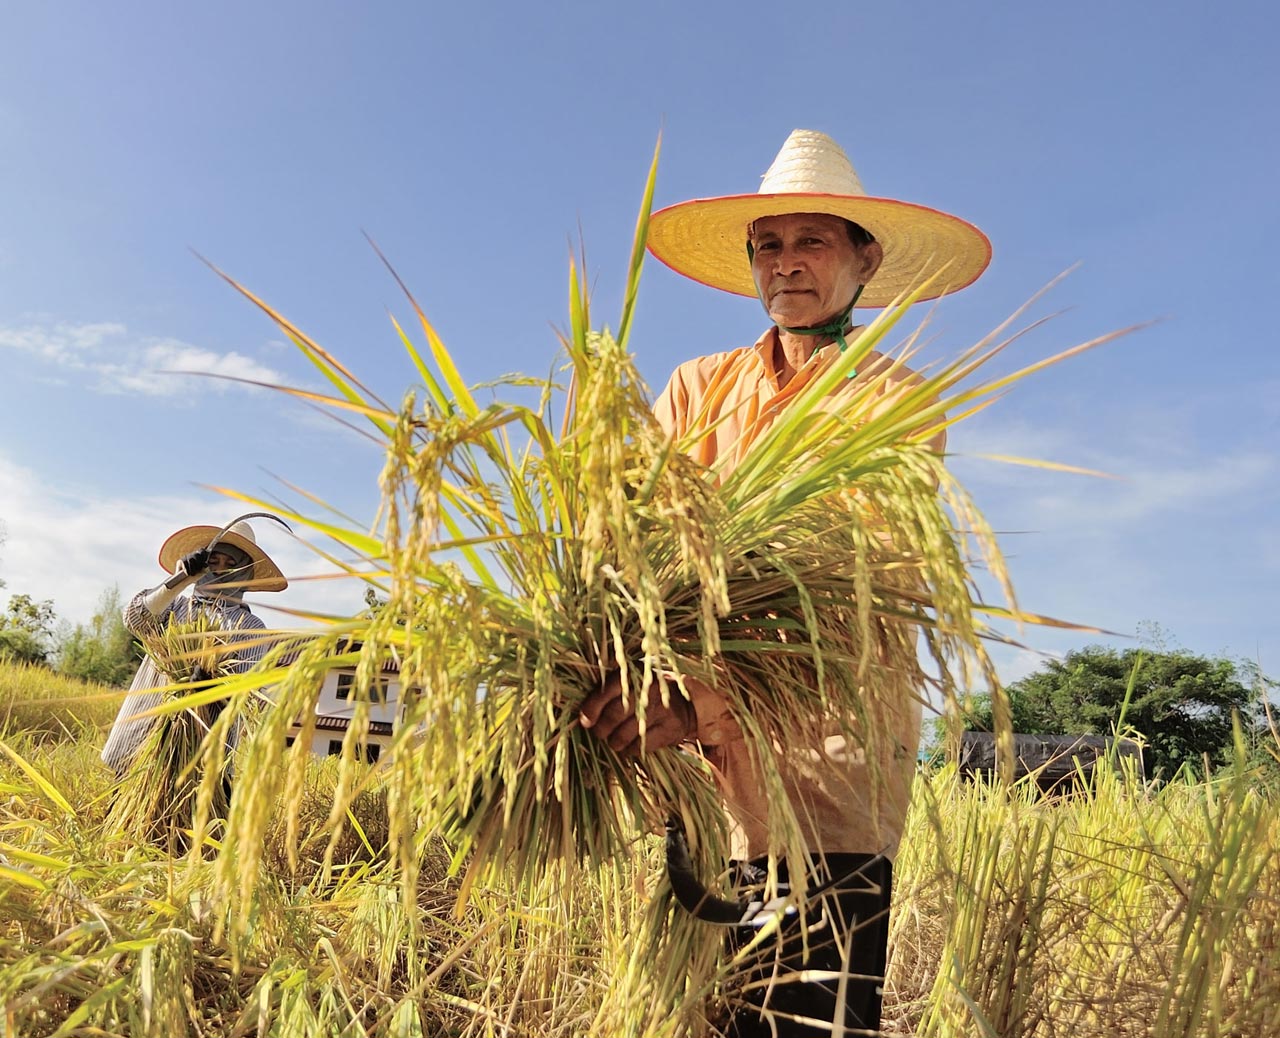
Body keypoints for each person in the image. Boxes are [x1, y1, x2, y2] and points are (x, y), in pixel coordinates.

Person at [579, 129, 991, 1034]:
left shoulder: (895, 401)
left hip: (822, 784)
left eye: (811, 242)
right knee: (704, 1017)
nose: (786, 264)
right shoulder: (697, 388)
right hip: (696, 782)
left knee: (802, 1021)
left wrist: (710, 702)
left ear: (863, 259)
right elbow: (631, 542)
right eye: (768, 244)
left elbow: (859, 591)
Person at [100, 519, 288, 781]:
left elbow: (242, 694)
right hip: (140, 743)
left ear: (245, 571)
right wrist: (180, 580)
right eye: (214, 562)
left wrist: (210, 690)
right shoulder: (174, 607)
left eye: (231, 564)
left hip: (200, 756)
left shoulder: (249, 627)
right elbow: (135, 619)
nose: (220, 570)